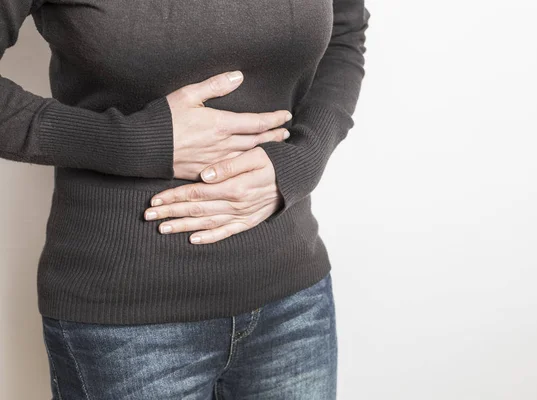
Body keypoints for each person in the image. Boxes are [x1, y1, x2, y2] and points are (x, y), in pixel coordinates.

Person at [0, 0, 370, 398]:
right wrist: (134, 143)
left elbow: (344, 35)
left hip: (293, 298)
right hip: (125, 321)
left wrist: (303, 159)